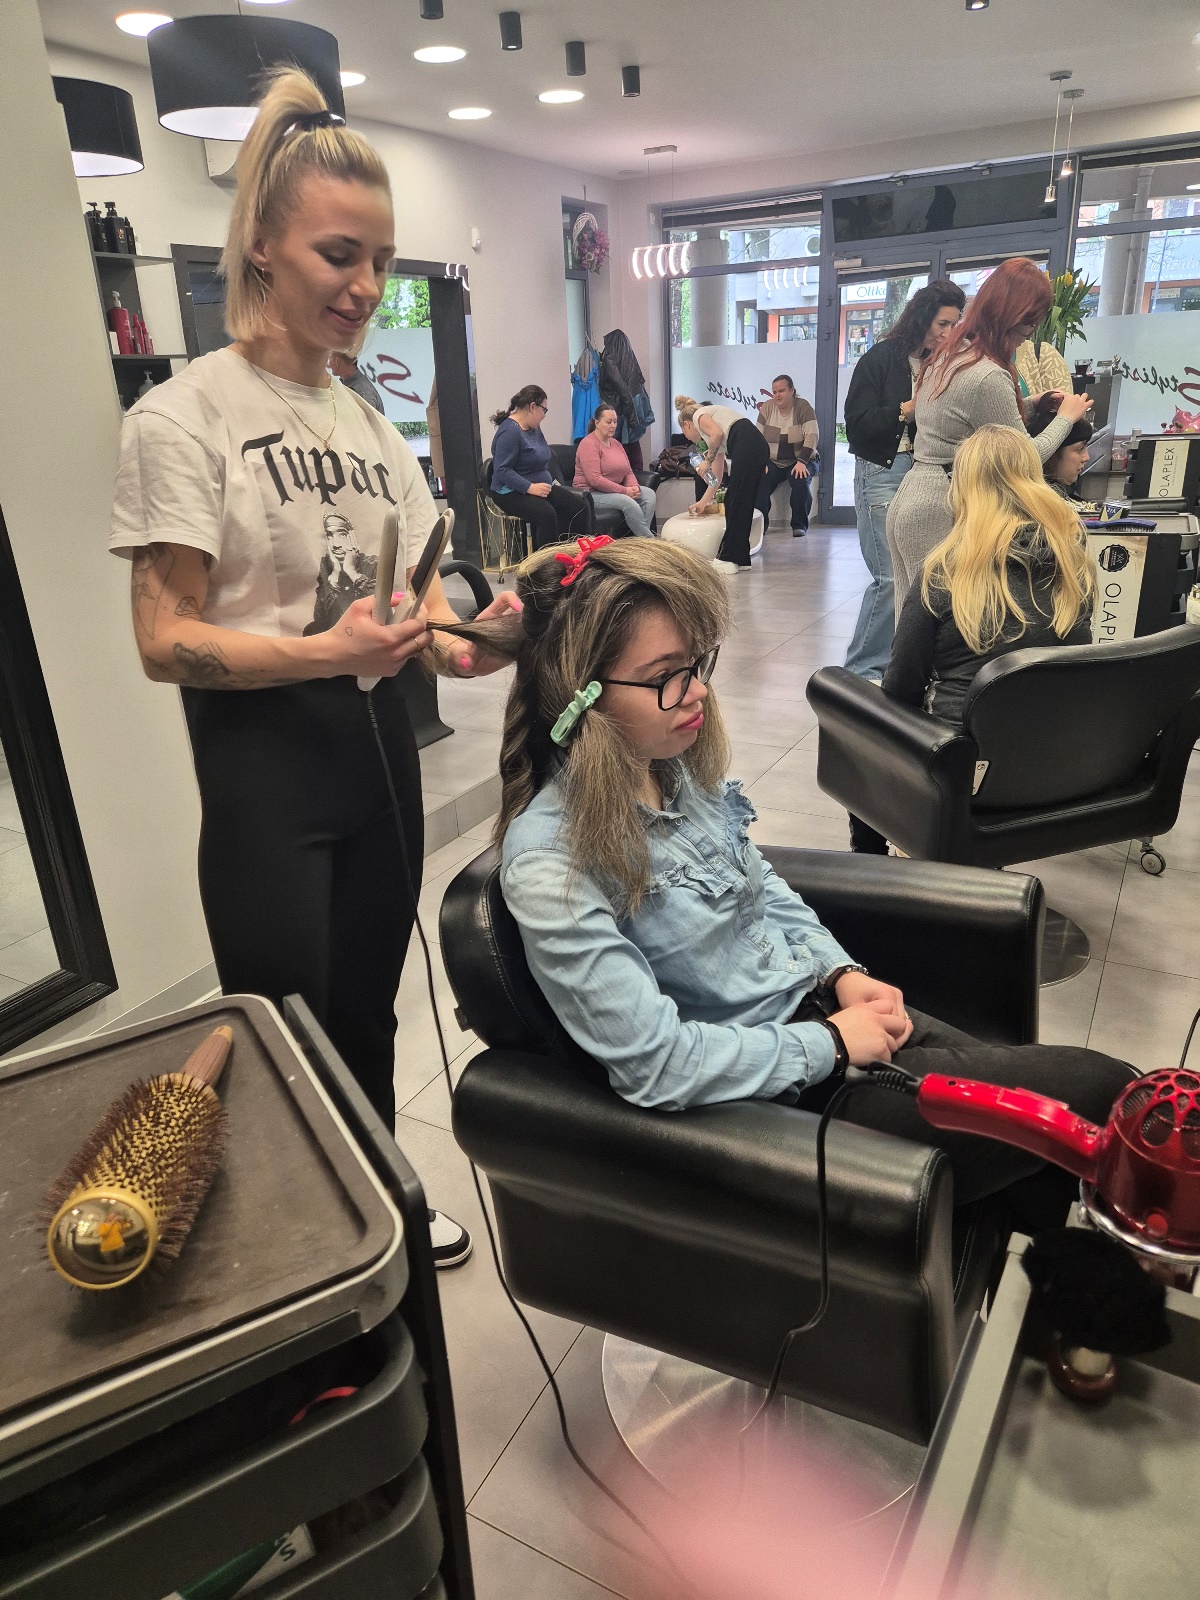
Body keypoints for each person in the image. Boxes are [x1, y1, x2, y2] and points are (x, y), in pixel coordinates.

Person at [109, 69, 518, 1269]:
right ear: (262, 246)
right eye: (340, 254)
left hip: (377, 759)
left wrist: (484, 639)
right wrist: (322, 651)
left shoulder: (374, 427)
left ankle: (381, 1200)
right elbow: (163, 638)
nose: (367, 286)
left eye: (381, 260)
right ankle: (301, 1258)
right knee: (284, 1039)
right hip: (265, 777)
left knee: (368, 1015)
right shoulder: (183, 419)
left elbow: (422, 618)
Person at [484, 537, 1133, 1236]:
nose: (697, 691)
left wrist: (839, 973)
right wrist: (830, 1043)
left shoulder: (664, 766)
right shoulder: (553, 862)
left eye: (697, 664)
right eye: (666, 676)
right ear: (582, 697)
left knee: (1057, 1159)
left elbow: (759, 886)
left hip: (821, 1018)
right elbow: (657, 1065)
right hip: (782, 1104)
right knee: (1102, 1095)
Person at [847, 426, 1096, 855]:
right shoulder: (1075, 571)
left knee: (857, 727)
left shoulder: (943, 574)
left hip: (957, 771)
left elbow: (902, 688)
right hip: (1048, 769)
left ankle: (872, 871)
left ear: (963, 488)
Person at [885, 258, 1094, 619]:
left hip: (914, 496)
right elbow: (1024, 457)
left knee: (911, 627)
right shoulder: (987, 375)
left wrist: (1033, 403)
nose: (1028, 335)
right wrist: (1066, 418)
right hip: (942, 506)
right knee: (940, 627)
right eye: (1028, 325)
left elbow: (971, 414)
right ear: (1013, 317)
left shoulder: (952, 355)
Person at [842, 281, 966, 682]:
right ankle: (860, 672)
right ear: (922, 318)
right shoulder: (880, 359)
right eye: (943, 323)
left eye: (955, 325)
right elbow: (856, 426)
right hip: (882, 470)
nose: (948, 333)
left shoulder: (940, 365)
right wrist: (906, 410)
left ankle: (901, 668)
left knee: (920, 576)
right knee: (889, 577)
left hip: (925, 474)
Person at [676, 395, 770, 574]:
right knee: (741, 501)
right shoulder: (713, 435)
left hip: (749, 443)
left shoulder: (699, 415)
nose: (688, 439)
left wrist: (707, 462)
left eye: (685, 433)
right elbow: (717, 478)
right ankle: (741, 557)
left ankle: (729, 558)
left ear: (687, 425)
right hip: (756, 445)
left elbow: (717, 434)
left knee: (735, 500)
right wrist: (702, 503)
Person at [489, 384, 589, 551]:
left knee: (579, 507)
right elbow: (502, 470)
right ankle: (545, 564)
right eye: (544, 410)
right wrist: (530, 487)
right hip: (510, 491)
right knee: (546, 515)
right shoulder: (509, 432)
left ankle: (571, 555)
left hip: (539, 487)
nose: (544, 415)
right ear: (532, 407)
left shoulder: (533, 428)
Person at [573, 404, 657, 536]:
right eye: (609, 422)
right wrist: (625, 491)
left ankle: (638, 540)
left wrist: (633, 487)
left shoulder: (616, 444)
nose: (613, 425)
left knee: (648, 494)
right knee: (628, 502)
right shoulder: (588, 444)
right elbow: (595, 480)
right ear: (597, 423)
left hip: (613, 490)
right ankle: (649, 541)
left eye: (615, 422)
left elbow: (628, 471)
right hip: (591, 493)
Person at [754, 374, 819, 537]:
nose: (777, 395)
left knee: (800, 479)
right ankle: (760, 526)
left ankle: (799, 525)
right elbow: (757, 437)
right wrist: (761, 461)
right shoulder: (767, 408)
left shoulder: (803, 407)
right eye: (774, 392)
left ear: (792, 391)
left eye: (781, 391)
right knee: (759, 481)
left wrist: (802, 461)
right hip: (774, 461)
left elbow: (812, 436)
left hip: (802, 459)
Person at [1036, 414, 1103, 512]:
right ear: (1050, 455)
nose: (1087, 457)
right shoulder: (1044, 510)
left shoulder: (1068, 495)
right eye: (1080, 449)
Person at [329, 348, 384, 413]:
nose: (329, 364)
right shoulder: (360, 389)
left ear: (337, 361)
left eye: (330, 359)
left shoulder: (364, 392)